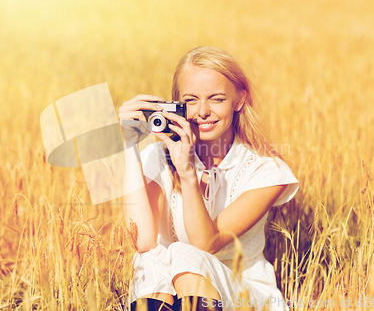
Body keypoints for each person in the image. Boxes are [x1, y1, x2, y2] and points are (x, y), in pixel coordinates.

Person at [118, 46, 299, 311]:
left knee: (184, 253)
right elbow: (143, 241)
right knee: (152, 261)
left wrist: (187, 173)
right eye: (191, 100)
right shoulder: (157, 155)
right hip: (169, 292)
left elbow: (205, 244)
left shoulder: (266, 171)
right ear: (176, 105)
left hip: (243, 295)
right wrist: (128, 145)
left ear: (239, 100)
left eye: (216, 99)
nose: (202, 111)